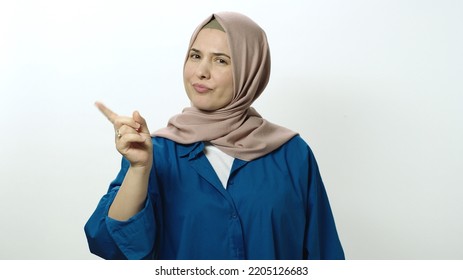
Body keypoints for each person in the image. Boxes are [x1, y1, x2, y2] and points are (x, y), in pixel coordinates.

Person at [84, 11, 345, 260]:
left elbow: (324, 254)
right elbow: (109, 244)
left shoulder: (292, 154)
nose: (201, 71)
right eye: (195, 56)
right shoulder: (156, 152)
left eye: (221, 60)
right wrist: (139, 170)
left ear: (249, 71)